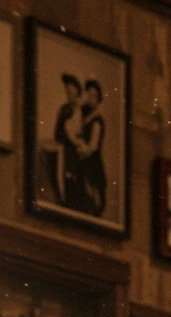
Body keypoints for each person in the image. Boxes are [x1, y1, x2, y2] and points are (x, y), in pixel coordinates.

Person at [52, 73, 84, 209]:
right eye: (68, 92)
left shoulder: (82, 111)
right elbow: (57, 132)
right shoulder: (64, 110)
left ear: (77, 92)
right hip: (66, 147)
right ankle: (63, 199)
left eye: (72, 92)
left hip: (78, 149)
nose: (70, 95)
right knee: (63, 173)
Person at [78, 78, 107, 217]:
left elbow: (93, 147)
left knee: (93, 193)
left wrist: (84, 150)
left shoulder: (97, 122)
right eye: (89, 94)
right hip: (85, 159)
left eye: (94, 95)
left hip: (92, 161)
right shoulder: (85, 114)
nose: (91, 98)